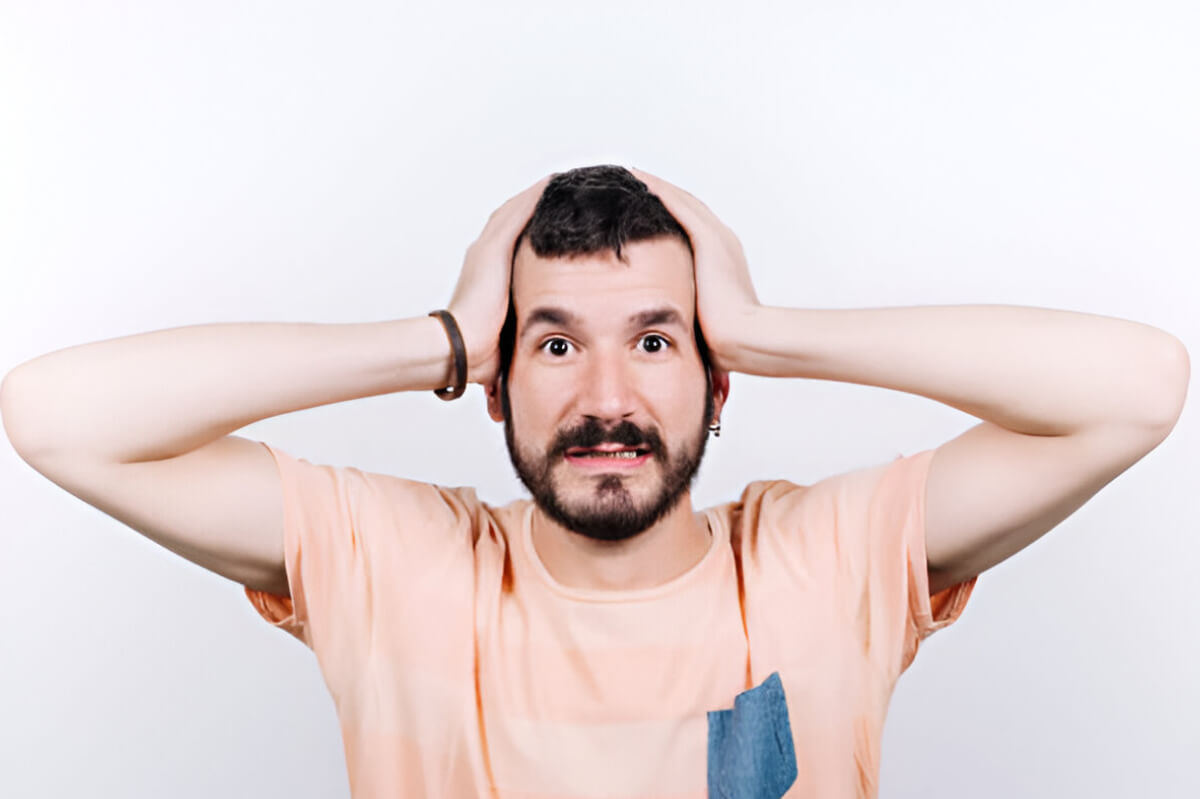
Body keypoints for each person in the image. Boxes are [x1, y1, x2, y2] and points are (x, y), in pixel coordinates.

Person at [0, 164, 1187, 799]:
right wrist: (440, 338)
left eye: (656, 340)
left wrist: (767, 330)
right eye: (556, 342)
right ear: (498, 385)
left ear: (718, 385)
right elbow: (55, 418)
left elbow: (1139, 388)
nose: (606, 397)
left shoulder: (830, 558)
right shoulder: (395, 565)